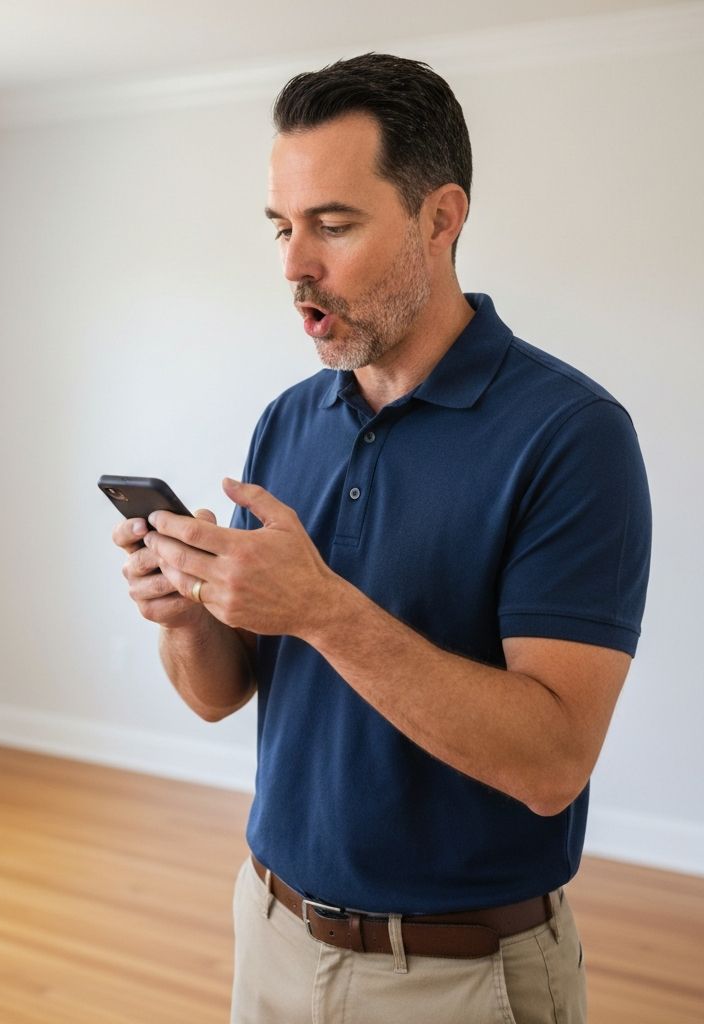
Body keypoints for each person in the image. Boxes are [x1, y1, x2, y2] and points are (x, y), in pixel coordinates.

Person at [111, 53, 650, 1024]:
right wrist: (184, 614)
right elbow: (220, 695)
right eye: (282, 226)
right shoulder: (288, 420)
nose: (292, 265)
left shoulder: (569, 433)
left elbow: (551, 762)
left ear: (441, 219)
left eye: (334, 223)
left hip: (459, 976)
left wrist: (322, 608)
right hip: (270, 931)